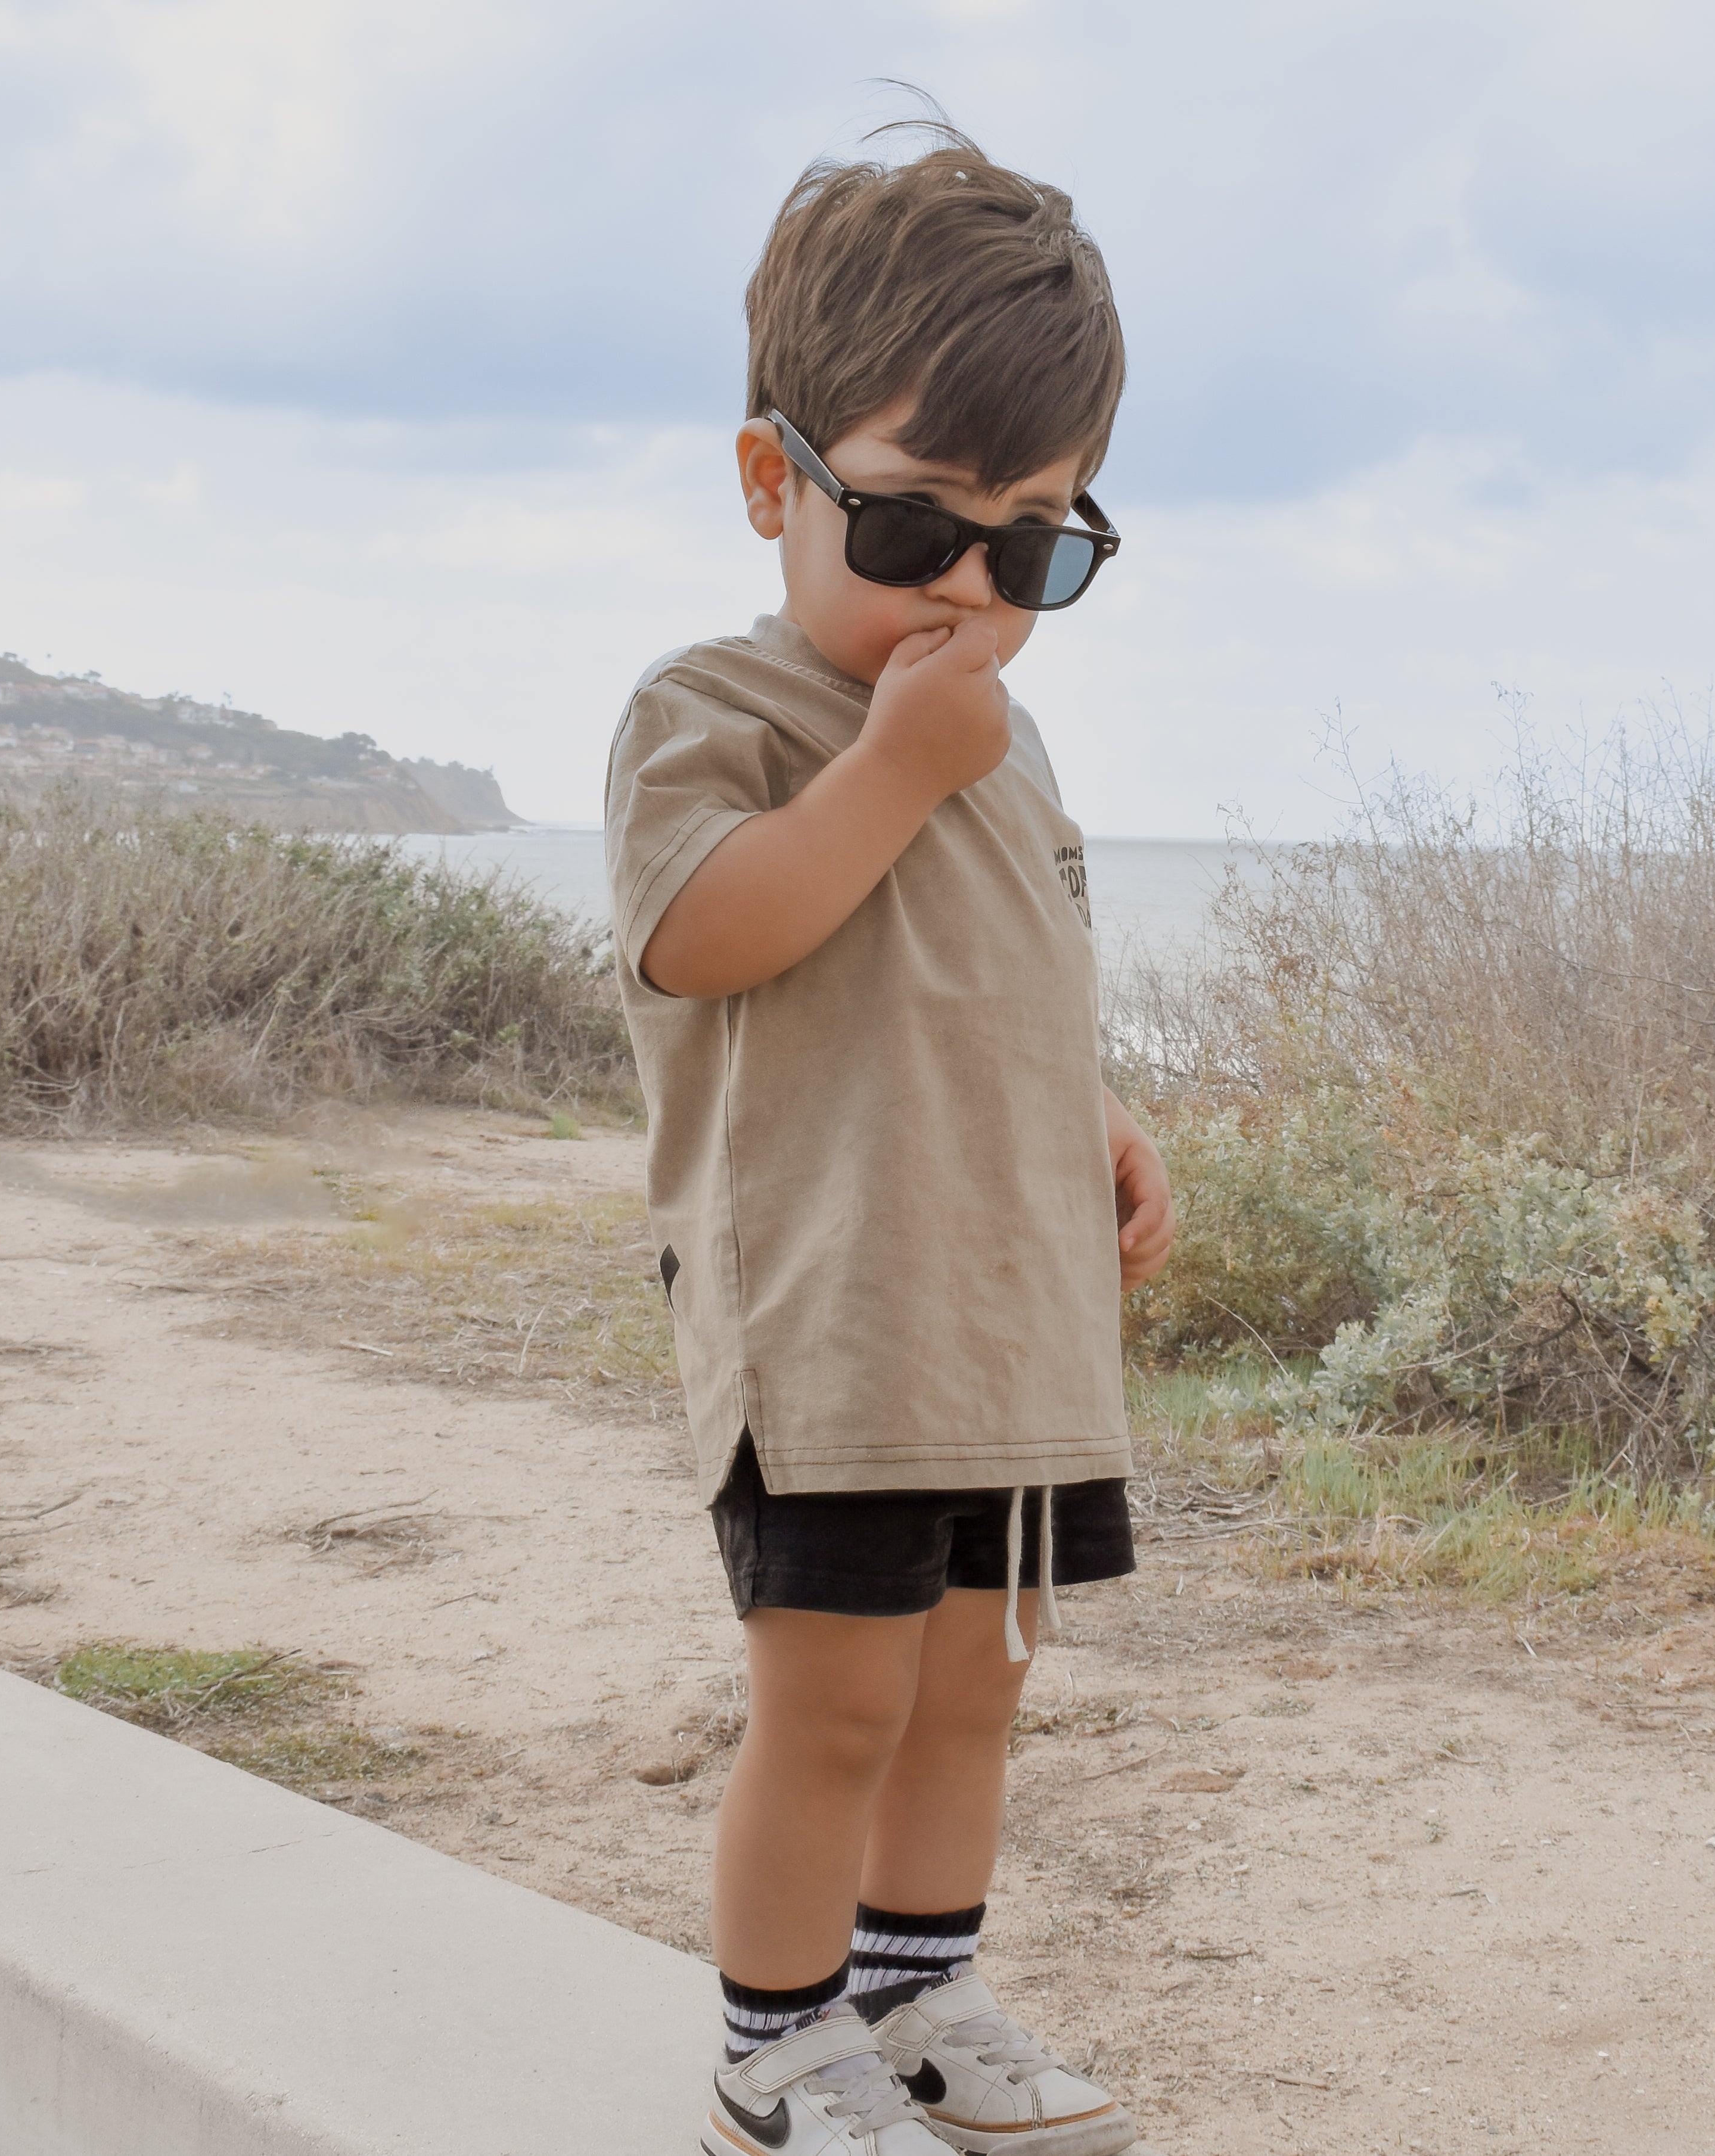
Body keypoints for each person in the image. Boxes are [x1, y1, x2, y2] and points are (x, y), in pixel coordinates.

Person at [604, 123, 1174, 2156]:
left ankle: (922, 1994)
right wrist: (896, 762)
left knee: (969, 1687)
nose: (974, 594)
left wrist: (1091, 1112)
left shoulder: (1004, 748)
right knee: (831, 1701)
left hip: (1000, 1318)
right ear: (777, 480)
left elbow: (1004, 974)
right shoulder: (725, 712)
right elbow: (706, 932)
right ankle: (780, 2036)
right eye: (925, 527)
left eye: (1032, 549)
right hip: (832, 1324)